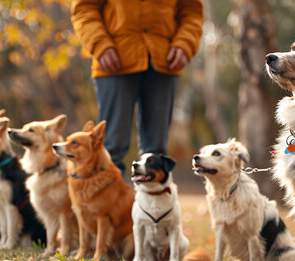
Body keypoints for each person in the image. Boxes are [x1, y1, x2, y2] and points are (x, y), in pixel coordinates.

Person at [71, 0, 203, 174]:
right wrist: (100, 44)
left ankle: (154, 201)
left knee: (156, 152)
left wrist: (184, 44)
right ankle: (107, 199)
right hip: (114, 60)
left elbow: (192, 11)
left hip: (164, 60)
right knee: (111, 148)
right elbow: (84, 8)